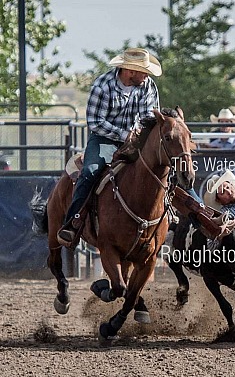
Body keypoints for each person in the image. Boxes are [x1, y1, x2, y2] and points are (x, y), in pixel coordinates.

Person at [57, 48, 162, 246]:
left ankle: (196, 214)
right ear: (130, 71)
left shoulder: (147, 85)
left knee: (164, 168)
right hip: (105, 140)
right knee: (90, 171)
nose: (147, 75)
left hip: (137, 139)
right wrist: (124, 134)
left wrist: (138, 133)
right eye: (144, 71)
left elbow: (148, 116)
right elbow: (95, 122)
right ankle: (73, 222)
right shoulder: (102, 86)